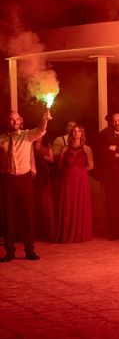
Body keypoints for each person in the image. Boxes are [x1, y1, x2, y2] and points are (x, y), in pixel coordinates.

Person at [0, 109, 51, 262]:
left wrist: (45, 119)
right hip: (7, 179)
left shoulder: (27, 135)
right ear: (6, 121)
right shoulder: (1, 138)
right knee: (8, 216)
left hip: (25, 179)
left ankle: (29, 250)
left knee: (28, 215)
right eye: (11, 119)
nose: (15, 121)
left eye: (17, 119)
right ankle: (10, 251)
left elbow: (41, 130)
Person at [96, 113, 119, 240]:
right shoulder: (104, 135)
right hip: (110, 174)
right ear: (111, 122)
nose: (117, 123)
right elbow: (102, 153)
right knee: (111, 203)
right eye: (114, 121)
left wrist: (113, 148)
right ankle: (112, 231)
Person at [56, 125, 94, 243]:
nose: (76, 133)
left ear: (82, 134)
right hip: (68, 180)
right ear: (71, 133)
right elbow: (59, 166)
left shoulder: (87, 148)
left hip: (81, 181)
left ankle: (81, 233)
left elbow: (91, 166)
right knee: (69, 204)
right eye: (74, 131)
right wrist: (70, 172)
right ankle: (67, 233)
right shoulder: (65, 149)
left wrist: (79, 171)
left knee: (80, 204)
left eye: (79, 131)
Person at [33, 137, 56, 241]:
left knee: (45, 203)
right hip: (33, 175)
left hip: (44, 175)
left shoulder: (47, 146)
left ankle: (47, 232)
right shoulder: (30, 144)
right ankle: (35, 232)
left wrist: (41, 155)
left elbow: (51, 159)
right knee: (35, 202)